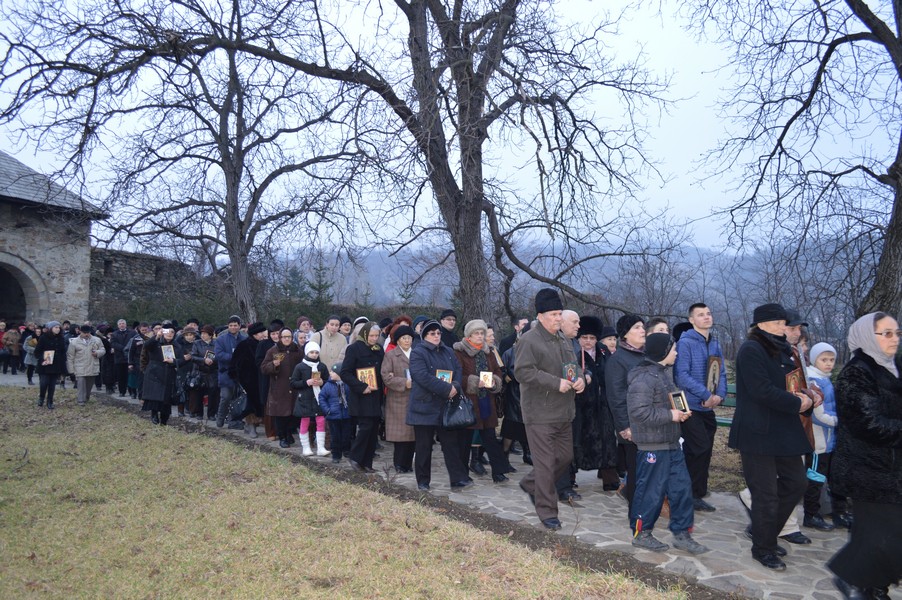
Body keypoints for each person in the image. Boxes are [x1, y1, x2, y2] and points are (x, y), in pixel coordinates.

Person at [730, 303, 817, 571]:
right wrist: (797, 404)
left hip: (783, 430)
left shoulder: (782, 350)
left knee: (796, 483)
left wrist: (807, 398)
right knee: (765, 494)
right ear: (764, 324)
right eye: (781, 323)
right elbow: (761, 391)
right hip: (757, 433)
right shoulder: (751, 350)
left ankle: (764, 532)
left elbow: (790, 385)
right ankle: (764, 548)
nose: (785, 328)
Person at [828, 312, 902, 599]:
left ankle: (875, 586)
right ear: (868, 337)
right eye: (886, 333)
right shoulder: (856, 372)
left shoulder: (894, 367)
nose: (894, 339)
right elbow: (868, 424)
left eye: (896, 332)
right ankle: (851, 577)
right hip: (867, 468)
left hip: (892, 469)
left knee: (878, 534)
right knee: (882, 534)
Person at [627, 333, 709, 555]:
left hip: (672, 443)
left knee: (682, 490)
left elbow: (671, 401)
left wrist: (680, 414)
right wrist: (670, 416)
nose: (677, 353)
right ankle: (642, 534)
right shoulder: (643, 378)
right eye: (673, 349)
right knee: (651, 492)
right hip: (653, 446)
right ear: (663, 352)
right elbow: (639, 412)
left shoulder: (663, 374)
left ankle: (682, 534)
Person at [515, 289, 585, 530]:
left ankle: (531, 483)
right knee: (545, 464)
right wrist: (556, 383)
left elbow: (573, 367)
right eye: (554, 314)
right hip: (539, 414)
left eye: (559, 314)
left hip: (564, 412)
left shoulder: (565, 340)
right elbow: (522, 372)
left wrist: (580, 380)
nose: (558, 318)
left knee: (564, 457)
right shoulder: (528, 340)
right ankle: (547, 512)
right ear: (541, 315)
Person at [673, 303, 727, 513]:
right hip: (690, 405)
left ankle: (698, 493)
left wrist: (719, 396)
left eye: (708, 313)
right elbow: (682, 375)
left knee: (705, 450)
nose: (706, 317)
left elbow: (720, 372)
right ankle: (687, 493)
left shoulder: (714, 343)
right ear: (692, 320)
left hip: (709, 406)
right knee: (698, 447)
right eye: (701, 315)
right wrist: (706, 395)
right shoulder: (685, 342)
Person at [406, 319, 467, 490]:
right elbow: (421, 376)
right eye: (432, 333)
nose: (436, 336)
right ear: (425, 335)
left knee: (451, 444)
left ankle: (457, 478)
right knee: (424, 446)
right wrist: (446, 389)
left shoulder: (448, 351)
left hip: (445, 405)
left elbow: (458, 370)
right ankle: (423, 481)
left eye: (438, 333)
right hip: (424, 406)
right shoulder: (418, 352)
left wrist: (454, 386)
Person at [453, 319, 510, 483]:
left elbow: (498, 371)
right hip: (468, 402)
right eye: (476, 333)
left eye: (482, 333)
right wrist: (472, 381)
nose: (480, 336)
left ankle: (498, 472)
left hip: (486, 400)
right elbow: (456, 375)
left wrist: (495, 382)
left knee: (490, 437)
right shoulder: (459, 352)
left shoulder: (489, 352)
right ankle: (462, 474)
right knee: (465, 440)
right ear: (469, 335)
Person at [804, 342, 849, 530]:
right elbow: (818, 414)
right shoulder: (814, 381)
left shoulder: (826, 379)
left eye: (831, 360)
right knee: (815, 478)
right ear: (815, 360)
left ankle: (835, 512)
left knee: (826, 476)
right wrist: (842, 421)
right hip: (818, 440)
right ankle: (811, 514)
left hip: (830, 439)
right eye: (824, 359)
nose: (828, 363)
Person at [605, 315, 647, 509]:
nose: (642, 330)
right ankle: (636, 508)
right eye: (637, 327)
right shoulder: (618, 360)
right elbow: (616, 396)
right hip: (632, 423)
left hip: (650, 421)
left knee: (647, 466)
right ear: (625, 333)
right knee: (636, 467)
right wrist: (624, 426)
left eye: (643, 327)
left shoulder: (647, 355)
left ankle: (638, 497)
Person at [575, 316, 620, 491]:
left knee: (608, 439)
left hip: (603, 404)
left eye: (592, 338)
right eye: (584, 337)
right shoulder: (574, 353)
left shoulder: (603, 351)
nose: (588, 341)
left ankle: (609, 477)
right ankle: (570, 476)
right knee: (579, 440)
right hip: (581, 404)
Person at [340, 322, 385, 473]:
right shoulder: (354, 349)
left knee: (373, 429)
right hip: (361, 396)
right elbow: (345, 372)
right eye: (371, 335)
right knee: (365, 427)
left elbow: (381, 372)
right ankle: (355, 457)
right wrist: (361, 386)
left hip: (376, 394)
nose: (374, 338)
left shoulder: (379, 350)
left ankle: (367, 462)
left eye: (376, 336)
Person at [381, 324, 416, 473]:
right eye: (404, 338)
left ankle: (408, 463)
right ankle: (399, 464)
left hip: (415, 398)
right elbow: (385, 376)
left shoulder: (417, 354)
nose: (407, 340)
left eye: (409, 338)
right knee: (400, 434)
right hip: (398, 397)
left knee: (413, 434)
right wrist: (403, 383)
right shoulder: (391, 355)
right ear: (398, 340)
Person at [261, 328, 302, 448]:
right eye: (284, 337)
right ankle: (282, 437)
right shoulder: (273, 350)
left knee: (292, 414)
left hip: (294, 388)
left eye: (289, 336)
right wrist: (273, 365)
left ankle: (289, 434)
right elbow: (263, 368)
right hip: (279, 388)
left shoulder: (297, 350)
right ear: (280, 338)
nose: (287, 339)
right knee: (280, 414)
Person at [290, 341, 330, 456]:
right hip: (305, 398)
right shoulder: (300, 366)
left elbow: (328, 381)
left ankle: (321, 447)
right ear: (307, 352)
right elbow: (293, 383)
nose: (314, 354)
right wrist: (306, 382)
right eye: (312, 352)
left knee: (321, 421)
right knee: (305, 421)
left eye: (316, 352)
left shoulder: (322, 366)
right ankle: (306, 447)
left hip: (319, 398)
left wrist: (322, 382)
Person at [232, 322, 267, 437]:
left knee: (261, 404)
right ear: (254, 334)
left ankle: (257, 424)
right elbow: (235, 363)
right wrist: (239, 378)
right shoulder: (244, 345)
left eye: (263, 331)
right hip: (248, 380)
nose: (263, 334)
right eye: (260, 332)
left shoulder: (266, 344)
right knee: (250, 404)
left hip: (263, 379)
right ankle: (251, 426)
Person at [142, 326, 180, 425]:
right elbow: (147, 346)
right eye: (167, 331)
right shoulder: (156, 342)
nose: (170, 334)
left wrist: (174, 361)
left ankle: (164, 420)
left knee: (166, 399)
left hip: (169, 374)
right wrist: (156, 336)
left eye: (172, 332)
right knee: (155, 397)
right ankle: (154, 414)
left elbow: (182, 359)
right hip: (155, 372)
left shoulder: (177, 345)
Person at [214, 315, 247, 428]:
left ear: (239, 326)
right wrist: (233, 357)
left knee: (239, 399)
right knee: (226, 397)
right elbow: (218, 355)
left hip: (241, 374)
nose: (233, 327)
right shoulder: (221, 339)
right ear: (228, 326)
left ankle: (235, 420)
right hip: (226, 373)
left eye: (235, 325)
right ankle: (220, 417)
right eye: (231, 325)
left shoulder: (244, 339)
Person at [319, 362, 353, 463]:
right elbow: (322, 397)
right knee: (335, 436)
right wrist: (327, 410)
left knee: (347, 435)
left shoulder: (347, 385)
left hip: (347, 415)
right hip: (333, 416)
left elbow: (352, 397)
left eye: (333, 371)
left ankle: (347, 450)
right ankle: (336, 455)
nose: (330, 373)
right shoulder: (327, 386)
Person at [66, 324, 106, 406]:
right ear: (80, 332)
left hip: (92, 365)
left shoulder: (97, 340)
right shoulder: (74, 342)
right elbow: (70, 356)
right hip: (80, 366)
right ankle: (81, 400)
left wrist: (97, 353)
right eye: (84, 333)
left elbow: (103, 349)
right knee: (81, 383)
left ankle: (86, 397)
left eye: (88, 332)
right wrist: (71, 370)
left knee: (89, 384)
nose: (86, 334)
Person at [35, 321, 67, 409]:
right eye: (55, 327)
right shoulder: (43, 338)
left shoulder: (61, 338)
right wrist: (44, 357)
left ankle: (50, 401)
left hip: (56, 365)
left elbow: (63, 351)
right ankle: (41, 397)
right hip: (45, 365)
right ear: (51, 328)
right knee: (44, 383)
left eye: (58, 327)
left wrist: (63, 363)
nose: (58, 329)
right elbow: (37, 352)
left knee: (52, 384)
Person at [311, 315, 348, 382]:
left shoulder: (342, 339)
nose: (334, 327)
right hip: (320, 374)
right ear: (327, 324)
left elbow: (345, 357)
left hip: (336, 375)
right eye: (332, 324)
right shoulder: (316, 336)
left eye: (337, 325)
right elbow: (311, 359)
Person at [110, 319, 132, 396]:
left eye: (123, 323)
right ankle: (121, 391)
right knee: (120, 376)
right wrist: (123, 348)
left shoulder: (132, 332)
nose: (122, 325)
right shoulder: (115, 334)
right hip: (119, 357)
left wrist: (128, 348)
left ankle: (132, 392)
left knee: (130, 375)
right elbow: (113, 343)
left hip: (130, 357)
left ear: (126, 324)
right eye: (120, 324)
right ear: (118, 325)